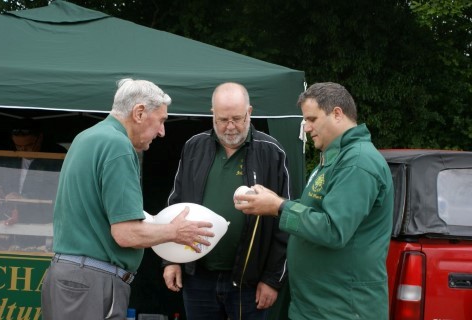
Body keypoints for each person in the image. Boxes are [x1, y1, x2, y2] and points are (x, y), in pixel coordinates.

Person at [40, 78, 215, 320]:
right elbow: (126, 234)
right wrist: (175, 232)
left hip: (71, 279)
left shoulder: (87, 137)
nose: (163, 132)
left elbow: (96, 213)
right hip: (92, 283)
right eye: (162, 120)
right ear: (140, 112)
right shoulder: (118, 146)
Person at [234, 82, 394, 319]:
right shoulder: (335, 158)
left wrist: (278, 206)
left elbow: (333, 229)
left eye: (312, 119)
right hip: (317, 305)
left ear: (337, 113)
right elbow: (314, 211)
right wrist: (274, 201)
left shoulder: (357, 163)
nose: (307, 127)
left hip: (343, 309)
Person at [163, 82, 291, 320]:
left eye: (237, 118)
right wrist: (171, 259)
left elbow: (284, 222)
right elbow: (175, 205)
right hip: (198, 276)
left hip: (249, 282)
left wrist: (272, 280)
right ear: (212, 114)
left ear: (249, 112)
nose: (230, 126)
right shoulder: (194, 147)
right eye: (223, 119)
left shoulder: (271, 151)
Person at [0, 120, 66, 226]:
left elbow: (59, 192)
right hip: (6, 219)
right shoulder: (8, 155)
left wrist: (26, 198)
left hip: (42, 223)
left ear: (39, 138)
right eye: (18, 146)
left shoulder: (56, 156)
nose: (23, 150)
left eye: (28, 145)